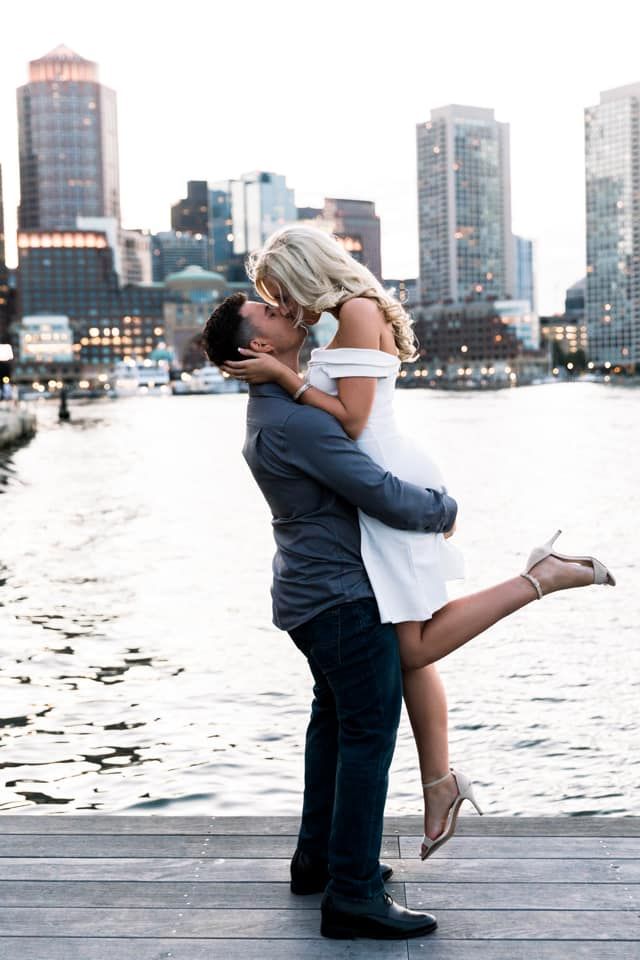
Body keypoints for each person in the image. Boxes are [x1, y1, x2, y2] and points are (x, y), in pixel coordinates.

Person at [219, 224, 617, 862]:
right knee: (411, 644)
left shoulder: (353, 310)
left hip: (383, 474)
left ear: (305, 271)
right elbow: (344, 416)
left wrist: (284, 377)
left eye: (279, 291)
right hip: (377, 473)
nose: (286, 305)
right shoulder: (347, 314)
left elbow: (350, 419)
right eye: (271, 301)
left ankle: (538, 579)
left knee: (412, 643)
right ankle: (440, 783)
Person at [201, 291, 453, 940]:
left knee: (336, 727)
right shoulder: (297, 421)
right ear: (259, 347)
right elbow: (379, 492)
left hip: (311, 594)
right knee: (369, 736)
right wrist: (443, 510)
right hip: (341, 598)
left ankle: (319, 860)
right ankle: (353, 895)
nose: (287, 311)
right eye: (271, 313)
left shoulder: (276, 407)